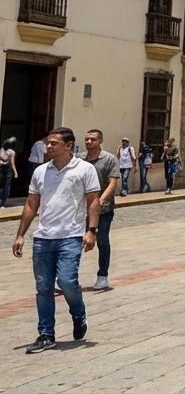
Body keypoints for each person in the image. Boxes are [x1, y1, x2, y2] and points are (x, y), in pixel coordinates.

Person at [11, 127, 100, 353]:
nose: (48, 147)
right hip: (44, 237)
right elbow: (32, 204)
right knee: (43, 288)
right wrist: (21, 234)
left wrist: (92, 230)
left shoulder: (84, 169)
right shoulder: (41, 171)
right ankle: (46, 334)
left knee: (68, 281)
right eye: (48, 143)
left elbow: (93, 201)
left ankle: (78, 313)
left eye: (53, 143)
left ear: (68, 145)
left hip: (70, 235)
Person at [81, 129, 119, 291]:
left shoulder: (109, 159)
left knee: (102, 241)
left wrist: (101, 200)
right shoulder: (78, 159)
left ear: (100, 141)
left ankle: (102, 276)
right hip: (80, 210)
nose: (89, 142)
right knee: (74, 242)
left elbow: (112, 183)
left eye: (93, 139)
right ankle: (66, 276)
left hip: (103, 210)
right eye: (87, 139)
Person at [0, 137, 17, 208]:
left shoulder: (1, 149)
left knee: (1, 186)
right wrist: (15, 173)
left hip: (1, 170)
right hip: (7, 171)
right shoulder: (12, 152)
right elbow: (12, 163)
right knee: (6, 187)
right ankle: (2, 203)